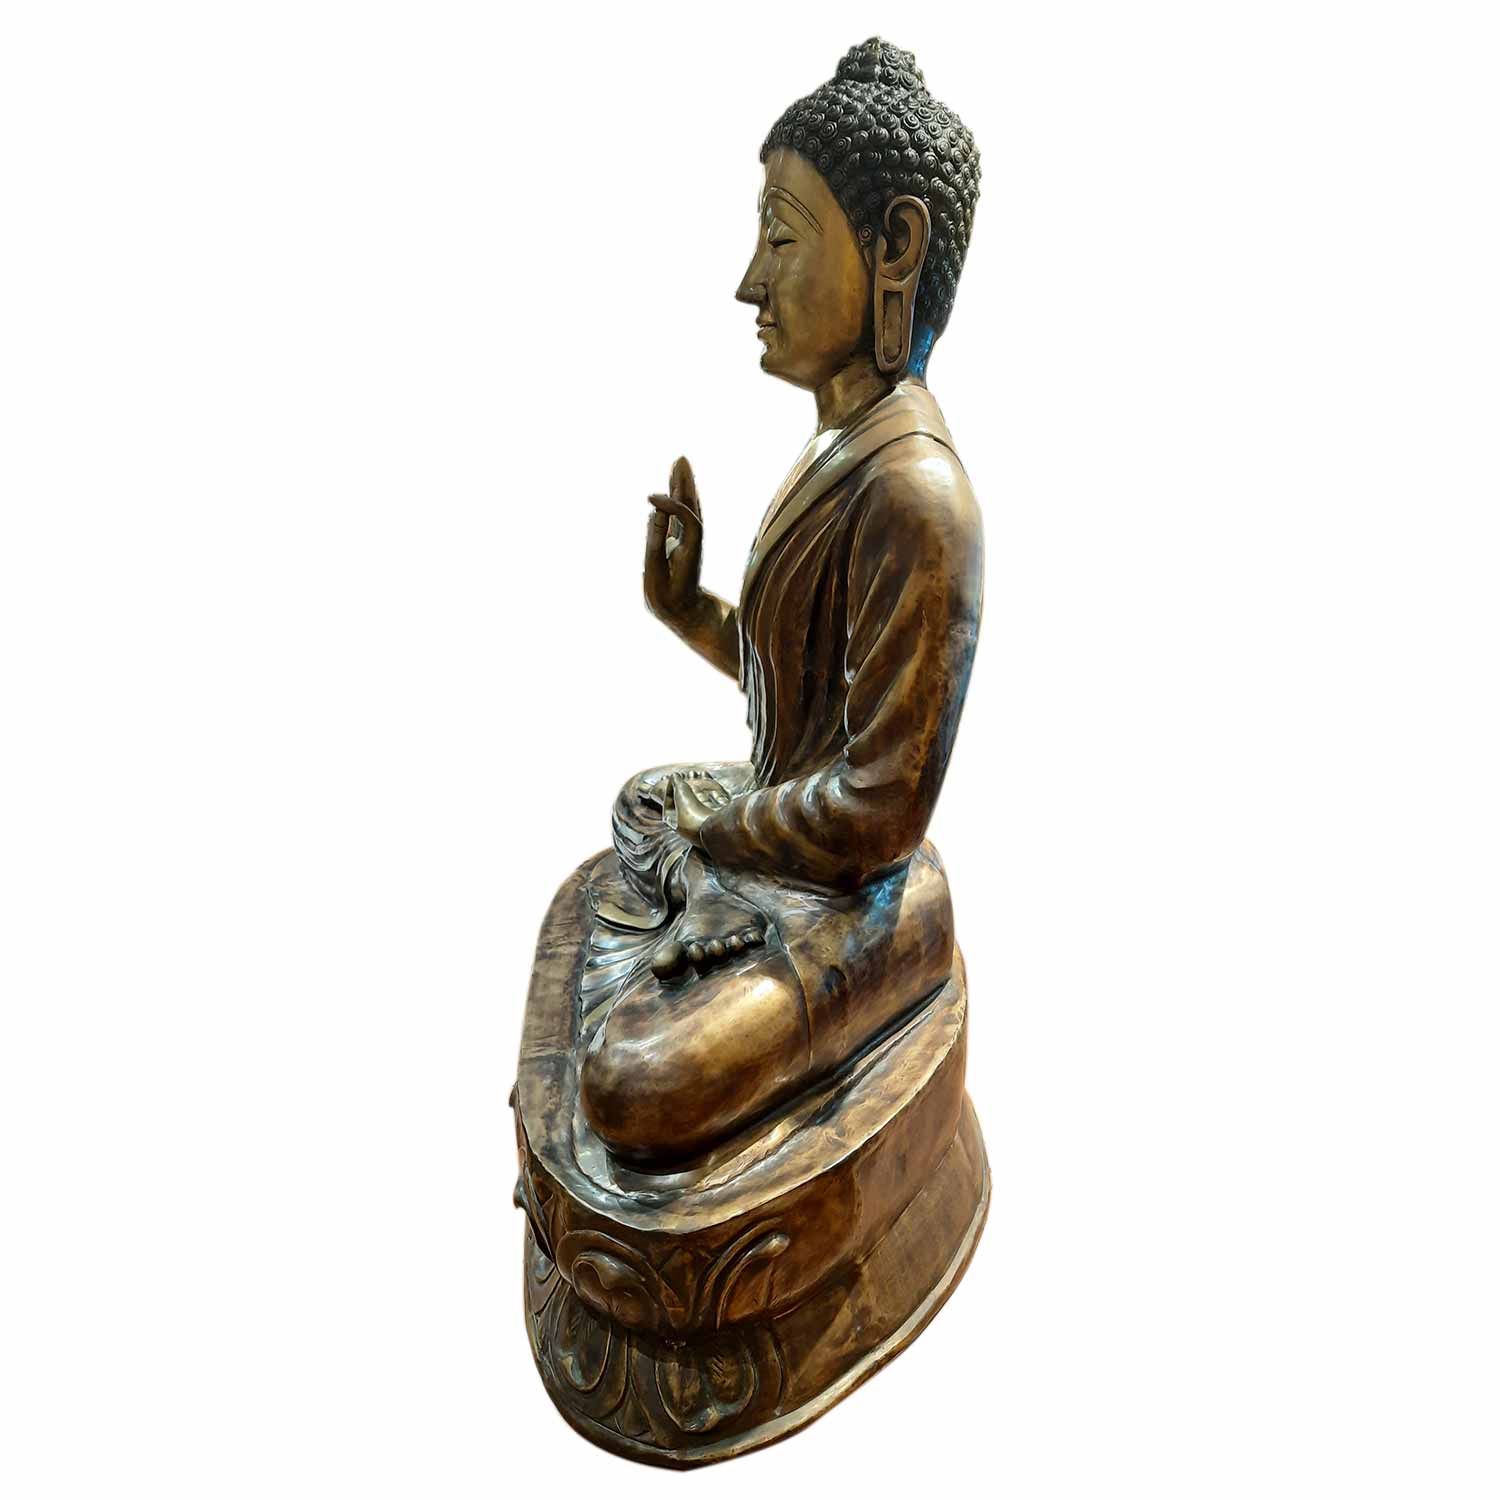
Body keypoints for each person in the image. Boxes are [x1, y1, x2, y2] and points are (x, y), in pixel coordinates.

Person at [578, 39, 984, 1166]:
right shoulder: (839, 449)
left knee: (632, 1080)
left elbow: (876, 814)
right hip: (780, 842)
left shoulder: (916, 494)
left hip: (860, 897)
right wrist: (692, 612)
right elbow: (806, 700)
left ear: (894, 247)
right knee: (644, 800)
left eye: (782, 237)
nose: (750, 281)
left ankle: (700, 932)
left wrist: (719, 833)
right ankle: (706, 921)